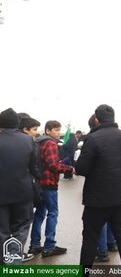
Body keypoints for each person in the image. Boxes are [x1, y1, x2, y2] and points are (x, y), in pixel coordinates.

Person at [75, 104, 121, 273]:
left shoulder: (93, 139)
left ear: (96, 119)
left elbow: (81, 169)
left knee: (90, 236)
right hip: (120, 197)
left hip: (97, 199)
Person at [29, 120, 74, 257]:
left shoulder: (38, 141)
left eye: (59, 130)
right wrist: (69, 168)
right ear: (48, 130)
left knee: (39, 213)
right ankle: (49, 246)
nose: (58, 133)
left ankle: (35, 245)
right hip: (49, 182)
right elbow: (53, 165)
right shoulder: (51, 143)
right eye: (55, 130)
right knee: (52, 213)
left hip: (39, 181)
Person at [0, 108, 37, 264]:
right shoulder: (28, 140)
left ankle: (5, 261)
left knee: (2, 230)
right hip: (23, 192)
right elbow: (34, 167)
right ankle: (13, 260)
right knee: (21, 226)